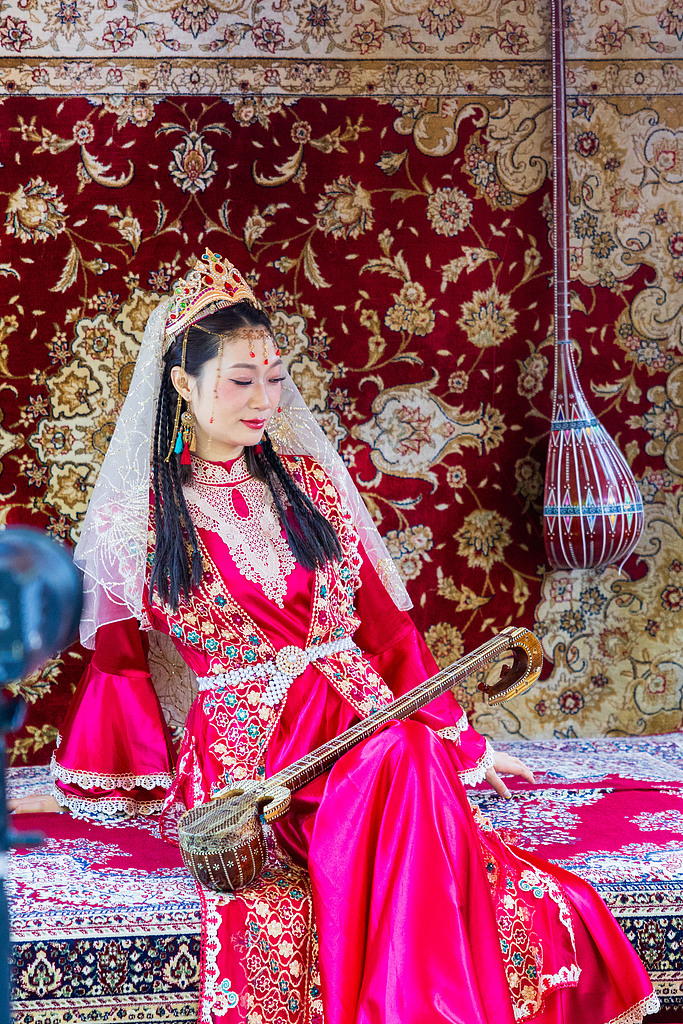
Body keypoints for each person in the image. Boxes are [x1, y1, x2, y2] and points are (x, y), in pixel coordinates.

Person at [13, 251, 659, 1024]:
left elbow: (385, 632)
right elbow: (119, 671)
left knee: (410, 752)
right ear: (184, 385)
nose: (264, 399)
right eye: (240, 380)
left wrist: (465, 741)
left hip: (361, 709)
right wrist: (88, 787)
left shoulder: (308, 487)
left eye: (274, 378)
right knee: (405, 758)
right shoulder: (141, 521)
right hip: (257, 751)